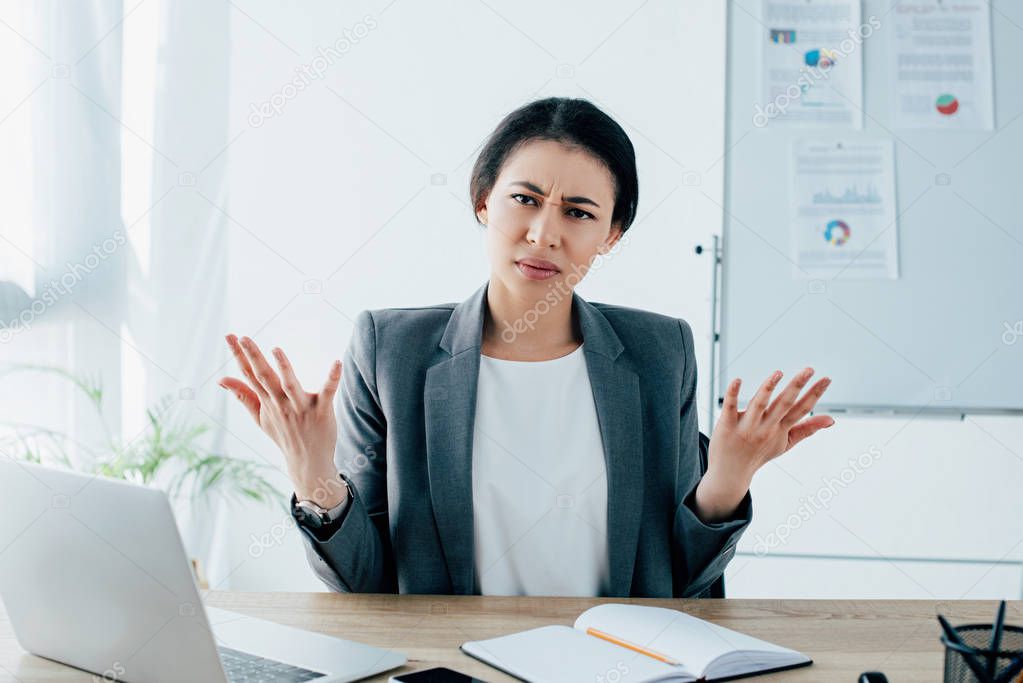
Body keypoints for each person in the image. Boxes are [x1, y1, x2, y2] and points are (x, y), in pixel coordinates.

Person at [219, 97, 834, 598]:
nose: (544, 234)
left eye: (579, 213)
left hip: (616, 664)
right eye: (525, 199)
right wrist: (314, 477)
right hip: (453, 667)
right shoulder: (391, 350)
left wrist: (726, 480)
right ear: (484, 201)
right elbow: (363, 583)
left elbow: (685, 582)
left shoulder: (659, 352)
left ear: (611, 235)